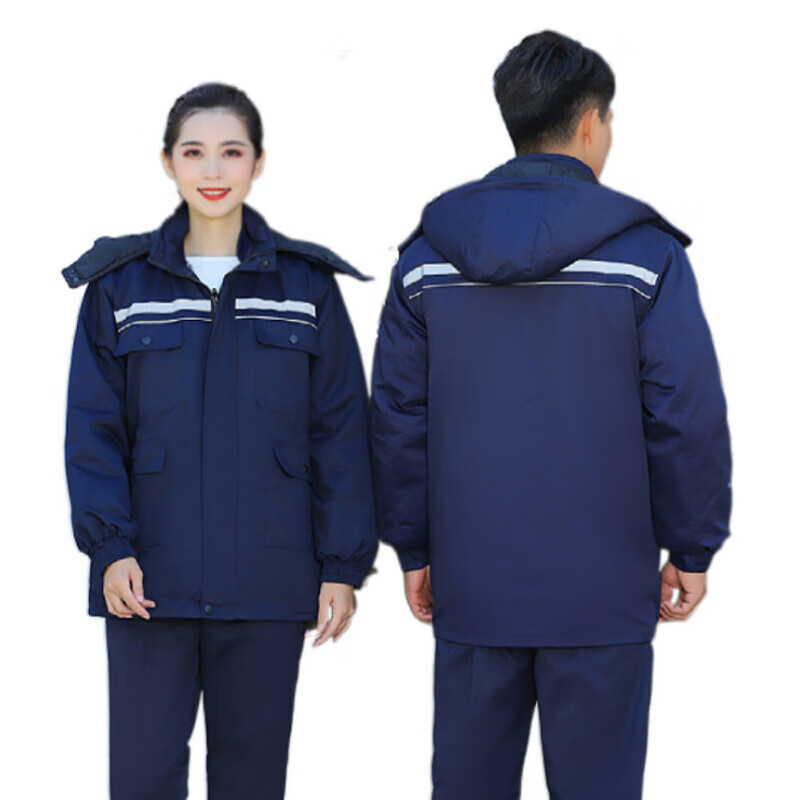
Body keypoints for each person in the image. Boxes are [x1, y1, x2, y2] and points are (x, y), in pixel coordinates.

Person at [369, 30, 732, 800]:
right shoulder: (645, 256)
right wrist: (693, 547)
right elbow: (684, 415)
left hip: (473, 585)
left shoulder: (427, 259)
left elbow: (398, 417)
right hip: (603, 592)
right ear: (591, 122)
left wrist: (414, 547)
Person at [62, 82, 377, 800]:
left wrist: (342, 564)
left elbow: (339, 432)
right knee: (141, 782)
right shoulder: (121, 287)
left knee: (251, 784)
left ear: (258, 162)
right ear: (167, 162)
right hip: (148, 584)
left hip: (269, 583)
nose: (212, 171)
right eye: (193, 152)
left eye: (231, 152)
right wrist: (110, 548)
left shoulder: (305, 286)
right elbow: (93, 430)